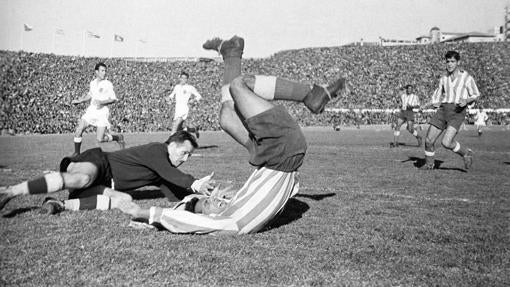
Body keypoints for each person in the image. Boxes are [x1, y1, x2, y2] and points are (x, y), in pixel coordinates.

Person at [116, 35, 346, 235]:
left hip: (268, 158)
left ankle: (231, 54)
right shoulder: (229, 223)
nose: (215, 199)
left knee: (226, 118)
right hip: (284, 151)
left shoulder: (232, 207)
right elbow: (182, 220)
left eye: (208, 201)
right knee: (239, 85)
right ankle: (310, 95)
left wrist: (193, 201)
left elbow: (185, 210)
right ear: (207, 219)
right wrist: (145, 214)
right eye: (209, 206)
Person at [0, 131, 215, 214]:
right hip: (98, 163)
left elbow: (176, 194)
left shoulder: (163, 171)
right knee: (83, 178)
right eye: (185, 152)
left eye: (189, 156)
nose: (185, 159)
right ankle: (11, 191)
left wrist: (205, 200)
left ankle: (59, 204)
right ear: (173, 145)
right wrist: (196, 183)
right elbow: (178, 177)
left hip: (103, 184)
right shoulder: (157, 150)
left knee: (124, 199)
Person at [421, 51, 480, 170]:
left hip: (457, 111)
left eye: (452, 61)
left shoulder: (466, 77)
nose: (450, 64)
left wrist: (466, 101)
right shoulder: (444, 78)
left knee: (446, 143)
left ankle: (466, 153)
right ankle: (429, 164)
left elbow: (476, 94)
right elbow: (437, 96)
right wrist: (427, 105)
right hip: (443, 110)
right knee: (428, 140)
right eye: (448, 61)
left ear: (458, 62)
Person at [72, 62, 125, 156]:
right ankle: (76, 153)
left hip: (102, 112)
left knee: (100, 139)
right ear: (96, 72)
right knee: (79, 130)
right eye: (102, 70)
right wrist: (80, 101)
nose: (104, 73)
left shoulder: (108, 84)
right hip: (91, 110)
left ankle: (117, 138)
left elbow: (113, 99)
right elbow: (90, 95)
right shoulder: (92, 83)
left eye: (105, 71)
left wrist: (101, 102)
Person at [167, 71, 202, 138]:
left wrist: (193, 100)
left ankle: (169, 141)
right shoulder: (176, 87)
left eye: (185, 78)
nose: (183, 80)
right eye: (182, 78)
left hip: (184, 108)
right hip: (177, 108)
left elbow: (199, 96)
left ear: (187, 79)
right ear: (180, 78)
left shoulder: (190, 87)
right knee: (179, 129)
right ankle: (193, 130)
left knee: (175, 124)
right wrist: (168, 98)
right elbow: (171, 95)